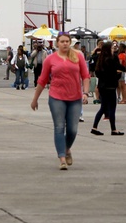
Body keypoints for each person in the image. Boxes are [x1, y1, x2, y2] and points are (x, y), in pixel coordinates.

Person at [30, 33, 89, 170]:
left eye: (67, 41)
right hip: (56, 97)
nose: (65, 44)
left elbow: (85, 76)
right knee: (59, 127)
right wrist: (35, 99)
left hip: (75, 98)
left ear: (70, 42)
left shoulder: (78, 56)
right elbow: (42, 80)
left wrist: (85, 93)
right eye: (62, 41)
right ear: (57, 43)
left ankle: (67, 148)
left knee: (73, 129)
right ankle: (62, 158)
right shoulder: (50, 59)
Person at [91, 41, 126, 136]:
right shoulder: (112, 58)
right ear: (108, 49)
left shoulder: (100, 59)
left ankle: (95, 127)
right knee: (112, 108)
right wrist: (119, 73)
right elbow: (115, 71)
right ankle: (113, 129)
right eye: (112, 48)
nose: (113, 50)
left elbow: (98, 73)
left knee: (103, 107)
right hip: (110, 86)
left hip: (102, 86)